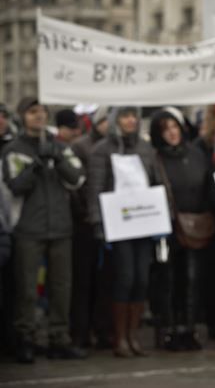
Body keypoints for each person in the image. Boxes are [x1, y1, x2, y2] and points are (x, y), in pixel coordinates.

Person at [2, 97, 86, 363]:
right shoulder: (14, 149)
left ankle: (59, 337)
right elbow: (16, 185)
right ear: (23, 116)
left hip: (60, 227)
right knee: (27, 289)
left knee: (61, 287)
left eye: (42, 112)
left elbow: (77, 177)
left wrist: (58, 158)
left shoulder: (59, 146)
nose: (38, 116)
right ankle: (25, 338)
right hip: (29, 228)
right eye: (32, 112)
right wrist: (36, 166)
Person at [87, 106, 160, 358]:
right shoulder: (101, 150)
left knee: (142, 280)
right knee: (124, 279)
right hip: (117, 227)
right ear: (114, 120)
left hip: (145, 223)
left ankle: (133, 335)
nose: (130, 120)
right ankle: (119, 338)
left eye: (133, 116)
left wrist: (164, 218)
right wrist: (99, 225)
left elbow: (157, 181)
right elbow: (95, 189)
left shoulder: (145, 148)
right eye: (124, 116)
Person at [150, 107, 215, 351]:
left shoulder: (196, 153)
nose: (171, 133)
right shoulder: (154, 157)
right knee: (168, 280)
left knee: (192, 279)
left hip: (196, 227)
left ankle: (189, 329)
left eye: (174, 127)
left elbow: (209, 184)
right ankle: (169, 329)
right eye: (165, 129)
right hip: (166, 229)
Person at [69, 106, 111, 349]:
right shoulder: (80, 146)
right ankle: (81, 333)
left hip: (115, 223)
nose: (107, 124)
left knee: (106, 281)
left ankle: (102, 329)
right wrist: (86, 212)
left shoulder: (118, 146)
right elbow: (77, 185)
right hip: (85, 223)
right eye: (103, 120)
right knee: (83, 281)